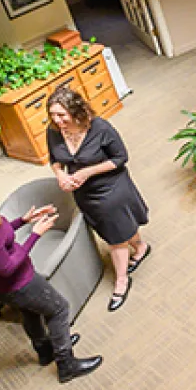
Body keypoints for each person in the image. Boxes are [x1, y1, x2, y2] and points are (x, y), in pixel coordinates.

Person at [0, 172, 102, 383]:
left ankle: (46, 351)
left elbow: (1, 236)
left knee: (31, 312)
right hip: (15, 283)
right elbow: (7, 268)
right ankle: (66, 364)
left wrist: (25, 220)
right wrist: (36, 233)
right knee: (59, 309)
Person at [46, 86, 150, 312]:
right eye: (52, 115)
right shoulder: (54, 131)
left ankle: (121, 282)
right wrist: (60, 174)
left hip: (111, 188)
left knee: (115, 238)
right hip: (83, 192)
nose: (57, 120)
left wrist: (86, 172)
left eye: (61, 115)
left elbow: (120, 158)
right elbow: (55, 159)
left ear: (76, 111)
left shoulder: (101, 128)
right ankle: (140, 247)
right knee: (118, 228)